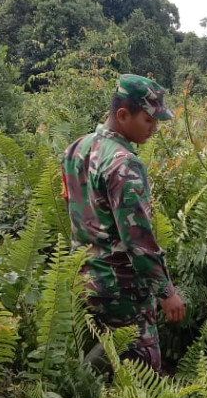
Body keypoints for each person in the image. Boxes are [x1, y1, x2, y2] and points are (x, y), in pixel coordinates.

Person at [60, 74, 185, 373]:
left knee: (104, 363)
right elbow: (137, 240)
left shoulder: (75, 149)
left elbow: (75, 212)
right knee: (143, 375)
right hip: (122, 287)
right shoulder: (124, 163)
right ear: (122, 114)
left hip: (85, 278)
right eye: (148, 120)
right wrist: (166, 292)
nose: (154, 128)